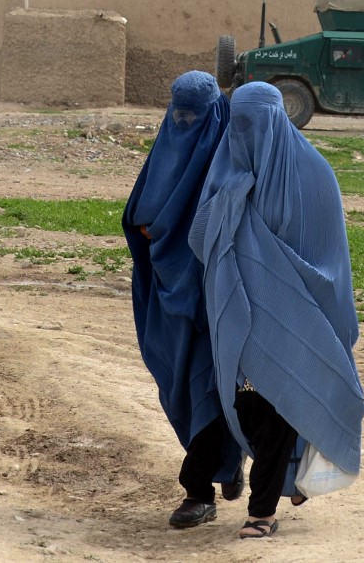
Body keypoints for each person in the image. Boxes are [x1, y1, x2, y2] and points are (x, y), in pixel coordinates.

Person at [188, 81, 364, 539]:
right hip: (240, 315)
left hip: (299, 314)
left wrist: (277, 273)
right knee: (244, 405)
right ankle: (286, 479)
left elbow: (330, 261)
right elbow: (200, 237)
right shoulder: (225, 173)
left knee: (283, 404)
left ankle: (261, 512)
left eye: (257, 123)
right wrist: (231, 206)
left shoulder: (315, 174)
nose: (248, 135)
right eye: (239, 124)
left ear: (278, 119)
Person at [123, 70, 244, 529]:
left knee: (208, 385)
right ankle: (229, 465)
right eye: (179, 113)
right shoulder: (168, 146)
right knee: (179, 385)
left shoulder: (231, 157)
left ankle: (198, 491)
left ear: (214, 113)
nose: (184, 122)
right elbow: (139, 210)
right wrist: (150, 232)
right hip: (169, 295)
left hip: (215, 295)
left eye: (194, 114)